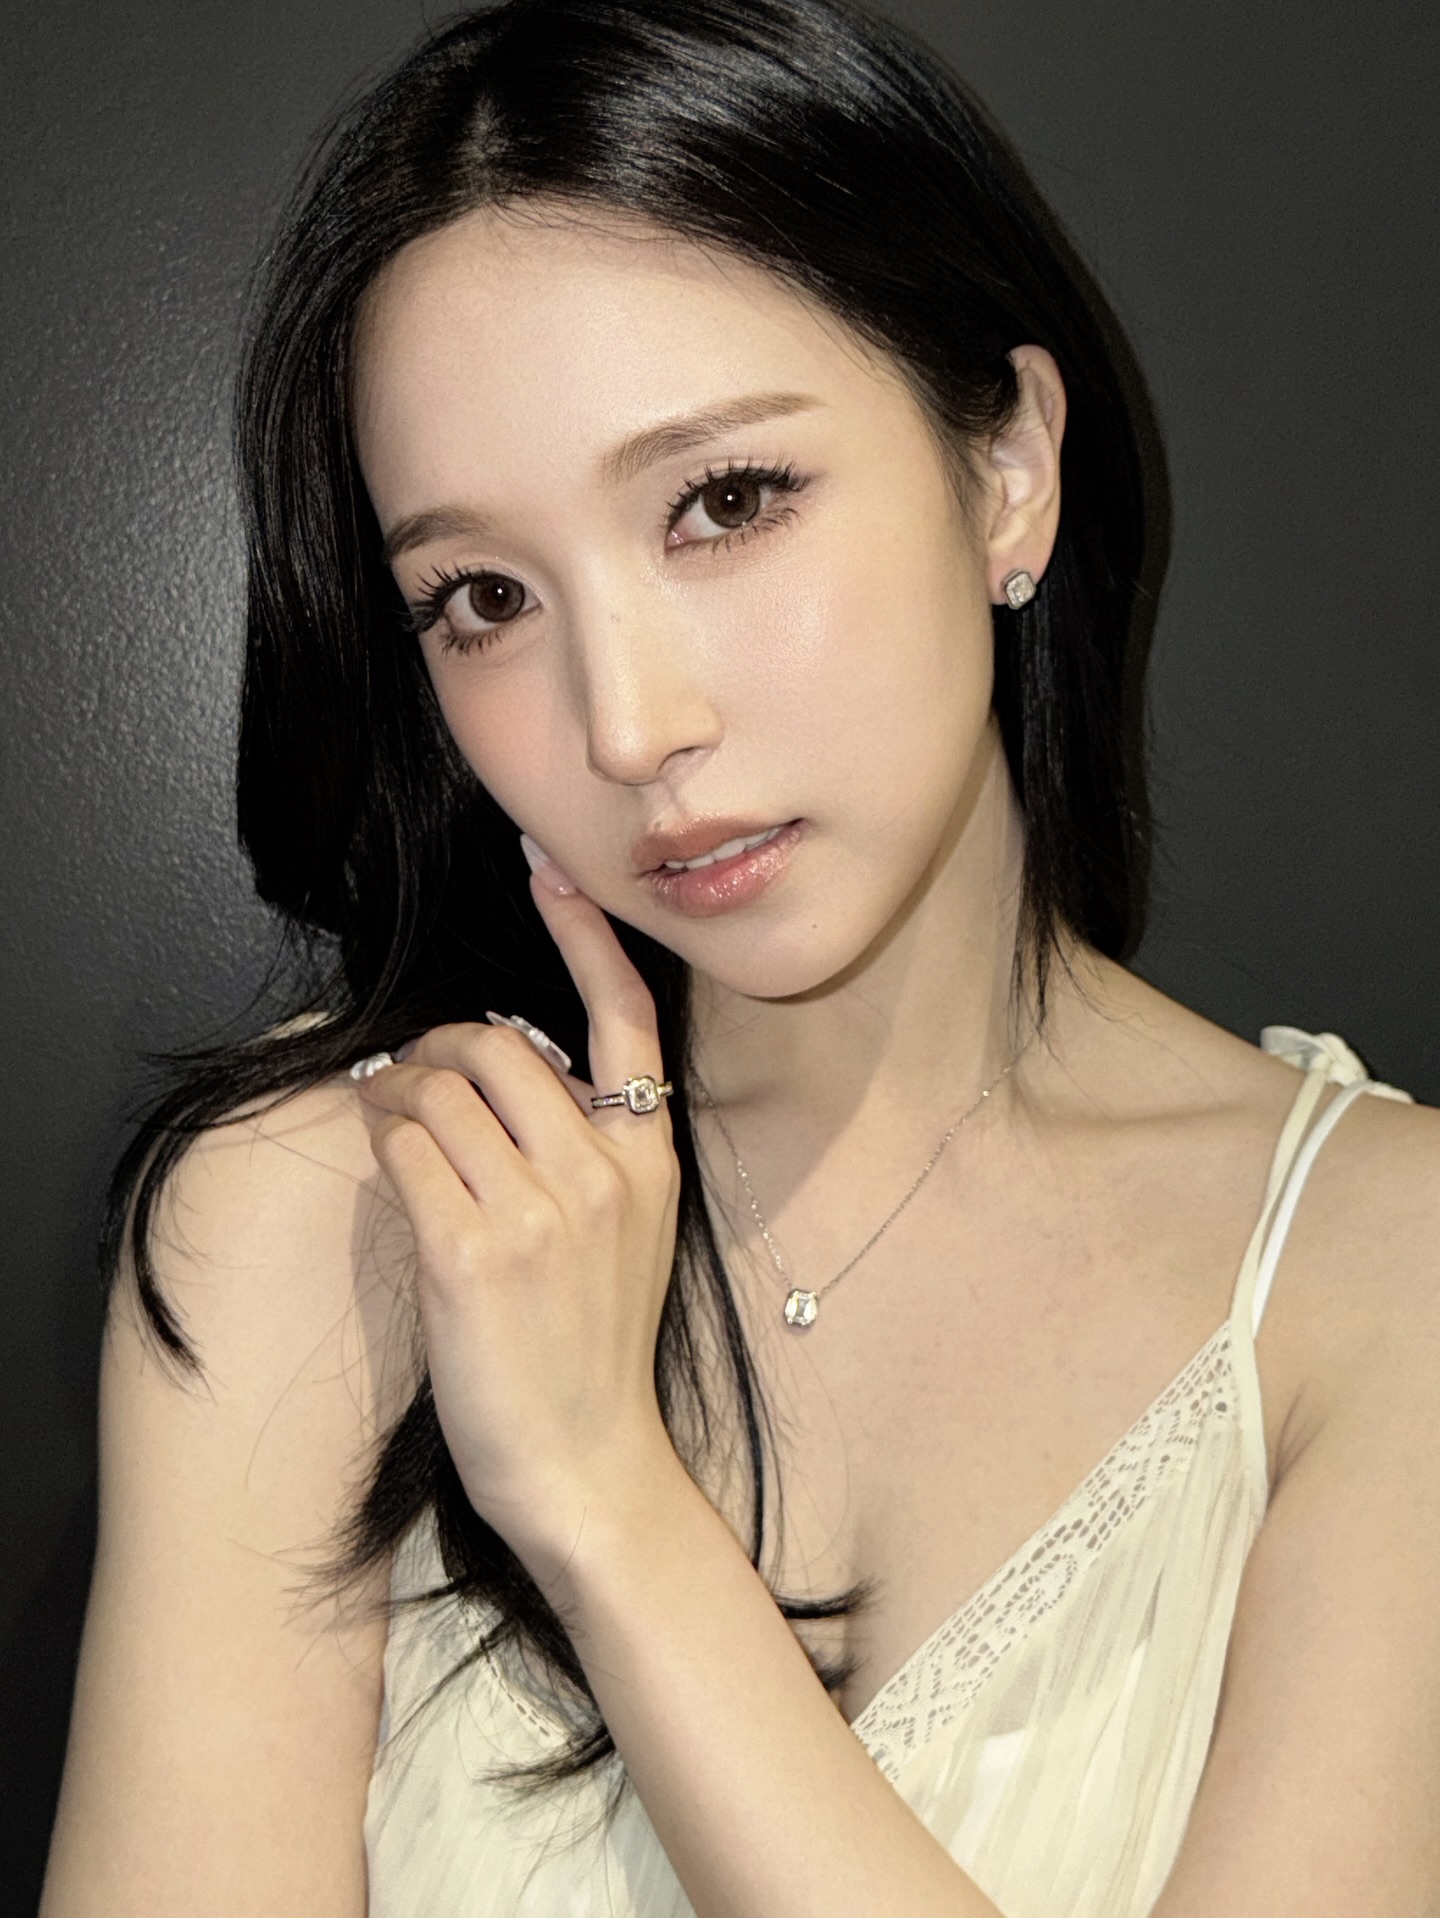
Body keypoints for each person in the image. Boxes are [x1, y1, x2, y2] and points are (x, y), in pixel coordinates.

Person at [39, 0, 1440, 1913]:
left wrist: (604, 1497)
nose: (628, 727)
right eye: (483, 597)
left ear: (1009, 467)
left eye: (725, 502)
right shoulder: (318, 1222)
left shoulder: (1382, 1281)